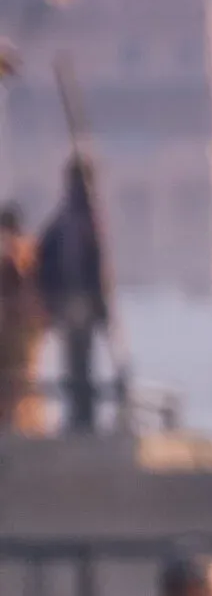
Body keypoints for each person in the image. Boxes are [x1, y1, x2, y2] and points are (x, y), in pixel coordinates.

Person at [36, 153, 112, 433]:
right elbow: (93, 267)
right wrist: (101, 305)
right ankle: (82, 418)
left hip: (71, 302)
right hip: (79, 301)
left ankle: (81, 417)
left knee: (77, 361)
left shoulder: (68, 216)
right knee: (80, 361)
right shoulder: (82, 217)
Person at [0, 204, 44, 431]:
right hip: (31, 328)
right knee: (24, 378)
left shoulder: (12, 252)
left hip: (15, 328)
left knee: (13, 379)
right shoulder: (30, 249)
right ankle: (27, 425)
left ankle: (15, 426)